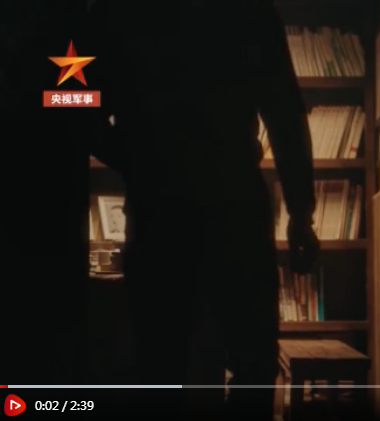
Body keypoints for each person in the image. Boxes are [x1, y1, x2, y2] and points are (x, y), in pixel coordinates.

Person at [86, 0, 319, 418]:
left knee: (159, 360)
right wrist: (301, 213)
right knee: (251, 360)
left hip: (160, 204)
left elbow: (71, 103)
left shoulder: (120, 13)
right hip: (235, 201)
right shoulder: (248, 12)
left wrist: (136, 160)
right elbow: (284, 111)